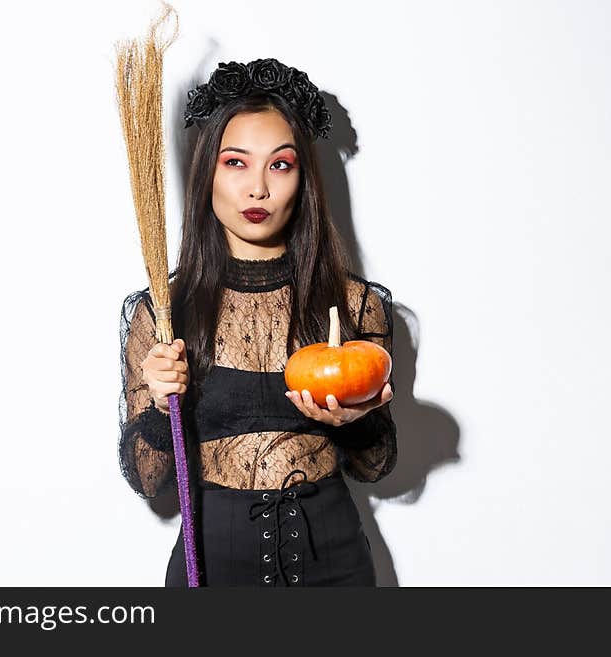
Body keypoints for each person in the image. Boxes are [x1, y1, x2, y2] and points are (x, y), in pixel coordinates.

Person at [118, 58, 397, 586]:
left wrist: (358, 424)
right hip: (212, 565)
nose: (258, 190)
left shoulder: (353, 305)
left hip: (332, 565)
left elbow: (377, 467)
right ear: (208, 174)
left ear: (303, 179)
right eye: (236, 163)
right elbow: (149, 479)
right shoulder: (163, 313)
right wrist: (160, 403)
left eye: (280, 164)